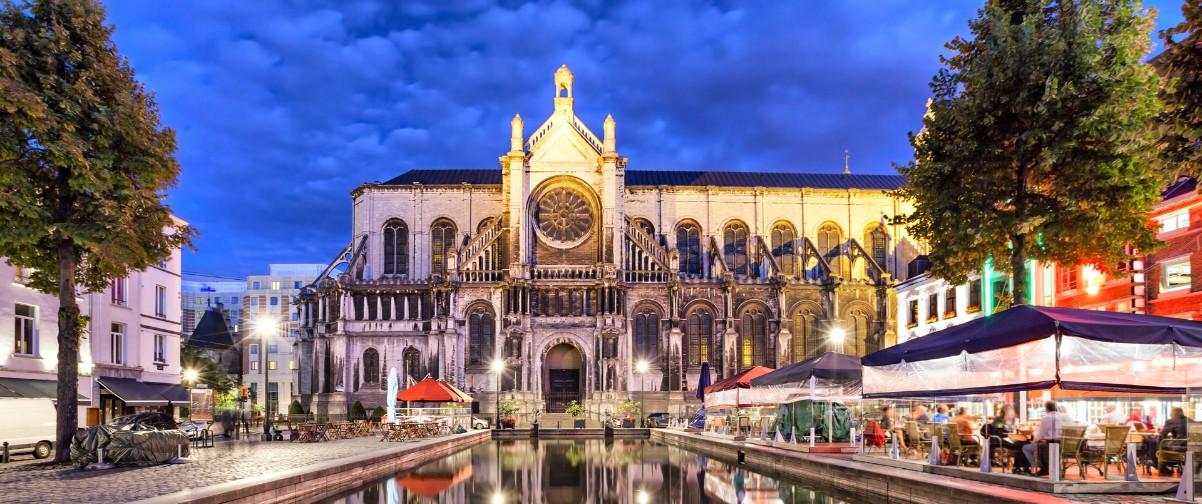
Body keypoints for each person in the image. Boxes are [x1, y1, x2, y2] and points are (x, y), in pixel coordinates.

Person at [1022, 401, 1062, 476]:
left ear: (1046, 409)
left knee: (1026, 448)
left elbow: (1039, 435)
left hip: (1052, 445)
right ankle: (1048, 467)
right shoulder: (1065, 416)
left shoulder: (1046, 418)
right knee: (1041, 446)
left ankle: (1041, 467)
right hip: (1066, 446)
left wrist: (1034, 441)